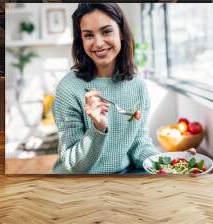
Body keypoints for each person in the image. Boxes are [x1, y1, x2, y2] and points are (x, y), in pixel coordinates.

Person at [51, 3, 160, 174]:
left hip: (123, 175)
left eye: (106, 31)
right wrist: (98, 128)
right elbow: (71, 166)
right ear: (81, 40)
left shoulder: (138, 86)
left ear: (121, 32)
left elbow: (138, 142)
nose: (99, 43)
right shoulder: (68, 88)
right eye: (88, 35)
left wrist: (166, 163)